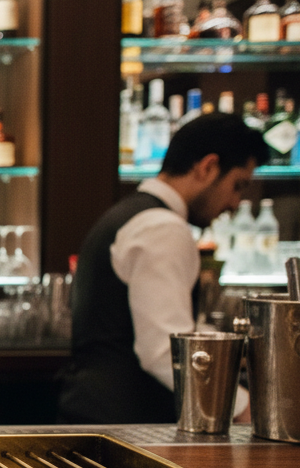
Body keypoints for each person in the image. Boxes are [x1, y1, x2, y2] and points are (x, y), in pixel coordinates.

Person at [58, 113, 268, 423]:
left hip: (96, 413)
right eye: (238, 185)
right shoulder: (163, 228)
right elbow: (164, 350)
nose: (236, 204)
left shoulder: (130, 214)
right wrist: (243, 409)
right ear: (208, 167)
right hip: (127, 427)